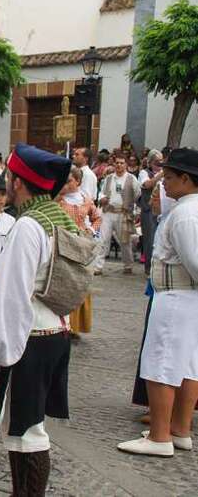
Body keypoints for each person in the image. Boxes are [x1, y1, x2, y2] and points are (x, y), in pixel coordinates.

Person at [0, 143, 75, 496]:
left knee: (26, 435)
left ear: (17, 182)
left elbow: (8, 296)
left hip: (29, 339)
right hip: (55, 331)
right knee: (27, 430)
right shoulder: (58, 218)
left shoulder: (28, 226)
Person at [117, 148, 198, 457]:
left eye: (170, 177)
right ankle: (179, 429)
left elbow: (195, 263)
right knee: (187, 365)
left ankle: (160, 436)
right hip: (186, 297)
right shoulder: (189, 209)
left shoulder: (185, 214)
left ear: (186, 179)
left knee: (161, 364)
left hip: (177, 295)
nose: (163, 182)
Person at [57, 166, 101, 337]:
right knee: (65, 283)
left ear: (78, 182)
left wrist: (91, 230)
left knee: (80, 284)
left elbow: (97, 218)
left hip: (82, 246)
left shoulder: (86, 200)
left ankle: (76, 326)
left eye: (69, 181)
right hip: (64, 245)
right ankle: (64, 324)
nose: (66, 185)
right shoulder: (59, 200)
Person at [96, 155, 141, 275]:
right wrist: (102, 198)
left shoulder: (132, 179)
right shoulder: (109, 178)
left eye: (121, 163)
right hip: (108, 212)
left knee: (125, 241)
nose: (119, 165)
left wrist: (133, 208)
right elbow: (101, 192)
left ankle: (128, 265)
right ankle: (98, 267)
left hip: (123, 213)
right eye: (117, 163)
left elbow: (137, 194)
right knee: (103, 240)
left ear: (126, 165)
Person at [138, 150, 164, 275]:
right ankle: (149, 268)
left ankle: (158, 267)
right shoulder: (144, 173)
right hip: (148, 211)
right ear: (150, 162)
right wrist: (161, 174)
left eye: (161, 162)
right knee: (150, 240)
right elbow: (147, 185)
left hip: (162, 210)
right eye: (157, 162)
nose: (160, 165)